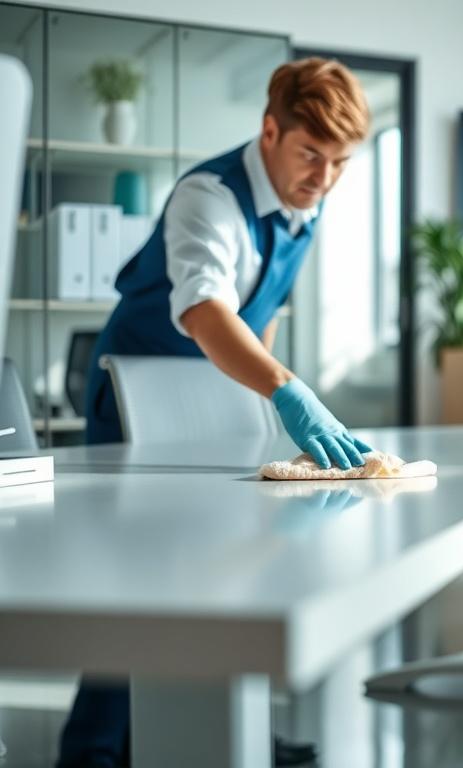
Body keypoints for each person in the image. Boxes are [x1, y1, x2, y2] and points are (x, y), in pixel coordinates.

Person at [59, 56, 373, 768]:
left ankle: (204, 740)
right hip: (138, 397)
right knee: (133, 591)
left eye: (340, 163)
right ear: (270, 130)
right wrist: (287, 389)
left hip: (213, 397)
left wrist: (262, 410)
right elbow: (205, 308)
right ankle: (91, 753)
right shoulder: (208, 196)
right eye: (311, 156)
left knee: (224, 575)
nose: (324, 179)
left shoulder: (306, 199)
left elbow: (262, 310)